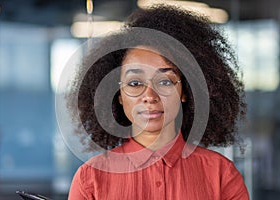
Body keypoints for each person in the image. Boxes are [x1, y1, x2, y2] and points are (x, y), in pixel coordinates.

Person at [66, 5, 249, 200]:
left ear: (185, 91)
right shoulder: (90, 179)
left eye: (165, 82)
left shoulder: (221, 175)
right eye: (135, 83)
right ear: (118, 95)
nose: (150, 96)